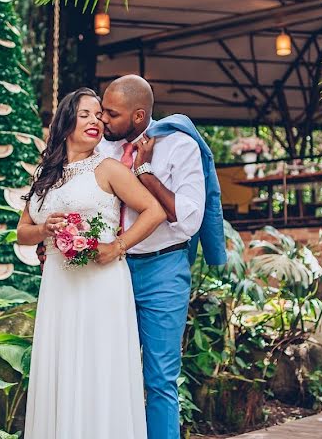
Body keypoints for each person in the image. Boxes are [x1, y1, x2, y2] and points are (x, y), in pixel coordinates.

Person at [17, 87, 165, 439]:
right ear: (67, 122)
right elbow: (22, 232)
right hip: (58, 284)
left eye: (99, 115)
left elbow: (154, 210)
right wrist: (43, 229)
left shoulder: (109, 168)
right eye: (85, 114)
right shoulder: (44, 174)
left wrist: (118, 246)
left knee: (98, 367)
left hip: (101, 284)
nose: (95, 121)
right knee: (61, 366)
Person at [98, 75, 226, 439]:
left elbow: (187, 219)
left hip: (162, 270)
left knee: (159, 379)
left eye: (112, 113)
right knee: (108, 374)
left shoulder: (179, 146)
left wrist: (145, 172)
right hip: (110, 272)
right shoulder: (104, 148)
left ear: (139, 117)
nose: (103, 120)